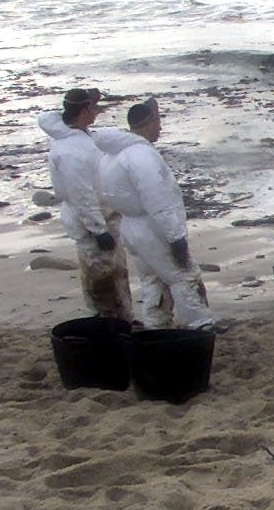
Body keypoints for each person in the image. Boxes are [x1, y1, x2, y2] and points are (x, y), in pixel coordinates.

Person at [94, 99, 216, 330]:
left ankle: (156, 327)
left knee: (152, 280)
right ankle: (201, 326)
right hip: (153, 229)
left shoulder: (110, 157)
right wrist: (176, 237)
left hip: (131, 228)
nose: (160, 127)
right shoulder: (141, 156)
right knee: (184, 277)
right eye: (158, 121)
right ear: (149, 122)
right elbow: (157, 200)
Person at [38, 88, 133, 320]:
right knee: (100, 278)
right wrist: (98, 230)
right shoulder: (71, 150)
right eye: (93, 108)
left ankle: (122, 320)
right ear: (83, 110)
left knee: (116, 274)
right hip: (91, 223)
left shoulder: (78, 135)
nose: (97, 112)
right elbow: (81, 195)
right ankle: (106, 324)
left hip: (103, 216)